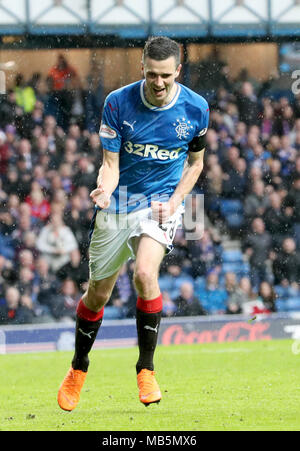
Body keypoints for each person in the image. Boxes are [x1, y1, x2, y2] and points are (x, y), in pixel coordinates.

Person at [57, 36, 209, 411]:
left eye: (166, 76)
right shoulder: (117, 103)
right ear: (142, 67)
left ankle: (146, 369)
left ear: (178, 71)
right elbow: (110, 165)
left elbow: (196, 164)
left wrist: (175, 202)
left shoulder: (196, 108)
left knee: (144, 274)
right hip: (118, 204)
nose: (158, 83)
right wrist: (103, 190)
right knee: (98, 294)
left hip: (160, 204)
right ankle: (78, 367)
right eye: (152, 74)